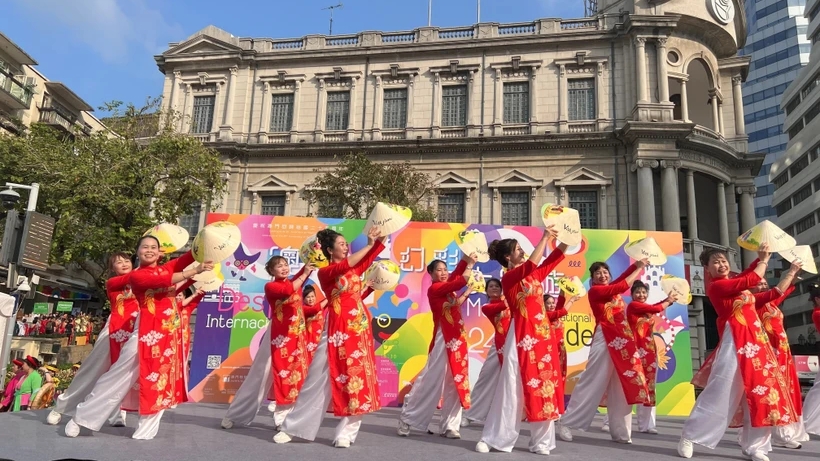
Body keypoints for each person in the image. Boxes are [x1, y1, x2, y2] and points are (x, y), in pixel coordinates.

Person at [64, 235, 212, 440]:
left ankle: (146, 430)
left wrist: (207, 243)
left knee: (159, 380)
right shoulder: (137, 276)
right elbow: (162, 280)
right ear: (138, 252)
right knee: (117, 375)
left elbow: (188, 257)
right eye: (145, 247)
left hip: (169, 334)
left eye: (154, 247)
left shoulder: (167, 266)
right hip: (146, 333)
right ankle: (82, 417)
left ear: (160, 252)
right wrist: (195, 270)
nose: (149, 250)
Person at [677, 245, 797, 461]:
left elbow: (767, 291)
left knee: (762, 393)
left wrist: (788, 271)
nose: (721, 264)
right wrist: (762, 261)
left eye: (723, 261)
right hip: (735, 342)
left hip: (758, 345)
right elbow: (748, 279)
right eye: (715, 262)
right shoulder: (717, 287)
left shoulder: (741, 291)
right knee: (720, 390)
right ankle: (690, 436)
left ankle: (755, 447)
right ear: (706, 269)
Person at [274, 225, 387, 448]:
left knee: (357, 379)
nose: (346, 247)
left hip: (359, 329)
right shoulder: (326, 272)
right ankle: (294, 427)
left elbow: (369, 255)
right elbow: (350, 262)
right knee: (317, 378)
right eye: (342, 244)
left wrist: (380, 237)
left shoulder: (354, 270)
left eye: (347, 244)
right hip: (336, 327)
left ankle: (345, 434)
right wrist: (369, 244)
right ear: (329, 250)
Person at [475, 226, 568, 455]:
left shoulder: (533, 275)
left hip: (542, 338)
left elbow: (554, 259)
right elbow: (532, 265)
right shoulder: (509, 278)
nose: (522, 252)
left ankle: (542, 442)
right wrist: (545, 237)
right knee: (512, 386)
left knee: (543, 385)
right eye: (518, 249)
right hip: (521, 337)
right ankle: (496, 438)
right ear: (508, 257)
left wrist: (567, 237)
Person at [557, 259, 650, 445]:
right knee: (593, 380)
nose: (602, 275)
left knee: (622, 385)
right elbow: (624, 284)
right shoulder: (596, 291)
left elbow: (623, 278)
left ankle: (621, 431)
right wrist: (639, 268)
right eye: (597, 273)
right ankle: (567, 422)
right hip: (605, 337)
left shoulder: (611, 287)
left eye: (605, 271)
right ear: (592, 279)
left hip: (623, 339)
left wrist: (636, 264)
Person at [48, 252, 137, 427]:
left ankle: (118, 413)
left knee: (124, 375)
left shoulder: (139, 283)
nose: (124, 264)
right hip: (114, 330)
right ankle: (60, 407)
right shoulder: (113, 283)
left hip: (134, 330)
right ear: (112, 268)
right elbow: (137, 277)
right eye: (119, 262)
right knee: (91, 371)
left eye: (127, 260)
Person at [398, 252, 477, 438]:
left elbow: (457, 276)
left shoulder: (448, 290)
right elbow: (460, 280)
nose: (443, 272)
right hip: (443, 339)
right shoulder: (435, 289)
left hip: (457, 340)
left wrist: (466, 258)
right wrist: (470, 265)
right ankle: (407, 419)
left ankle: (450, 425)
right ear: (431, 274)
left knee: (456, 381)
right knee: (430, 381)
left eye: (444, 269)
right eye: (438, 270)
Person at [745, 266, 809, 447]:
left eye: (765, 283)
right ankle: (780, 434)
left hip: (782, 353)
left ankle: (784, 432)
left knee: (787, 391)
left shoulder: (770, 304)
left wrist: (795, 275)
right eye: (759, 283)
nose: (763, 286)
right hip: (768, 354)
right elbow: (778, 291)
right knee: (775, 394)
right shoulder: (754, 302)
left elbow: (784, 290)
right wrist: (790, 272)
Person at [624, 281, 678, 434]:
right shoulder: (634, 306)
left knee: (649, 387)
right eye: (638, 292)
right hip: (634, 351)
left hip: (648, 351)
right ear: (632, 295)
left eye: (643, 292)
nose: (641, 295)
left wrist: (668, 299)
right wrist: (667, 301)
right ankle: (613, 420)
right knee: (630, 386)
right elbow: (656, 308)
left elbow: (655, 307)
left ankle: (647, 425)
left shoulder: (646, 310)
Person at [462, 278, 507, 426]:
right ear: (486, 291)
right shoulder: (487, 306)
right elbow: (502, 306)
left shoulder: (510, 301)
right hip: (499, 345)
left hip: (516, 343)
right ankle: (470, 414)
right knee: (485, 379)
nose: (494, 288)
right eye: (491, 286)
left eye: (497, 286)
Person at [804, 283, 820, 436]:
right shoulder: (817, 313)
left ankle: (810, 423)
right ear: (817, 299)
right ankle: (807, 422)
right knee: (818, 389)